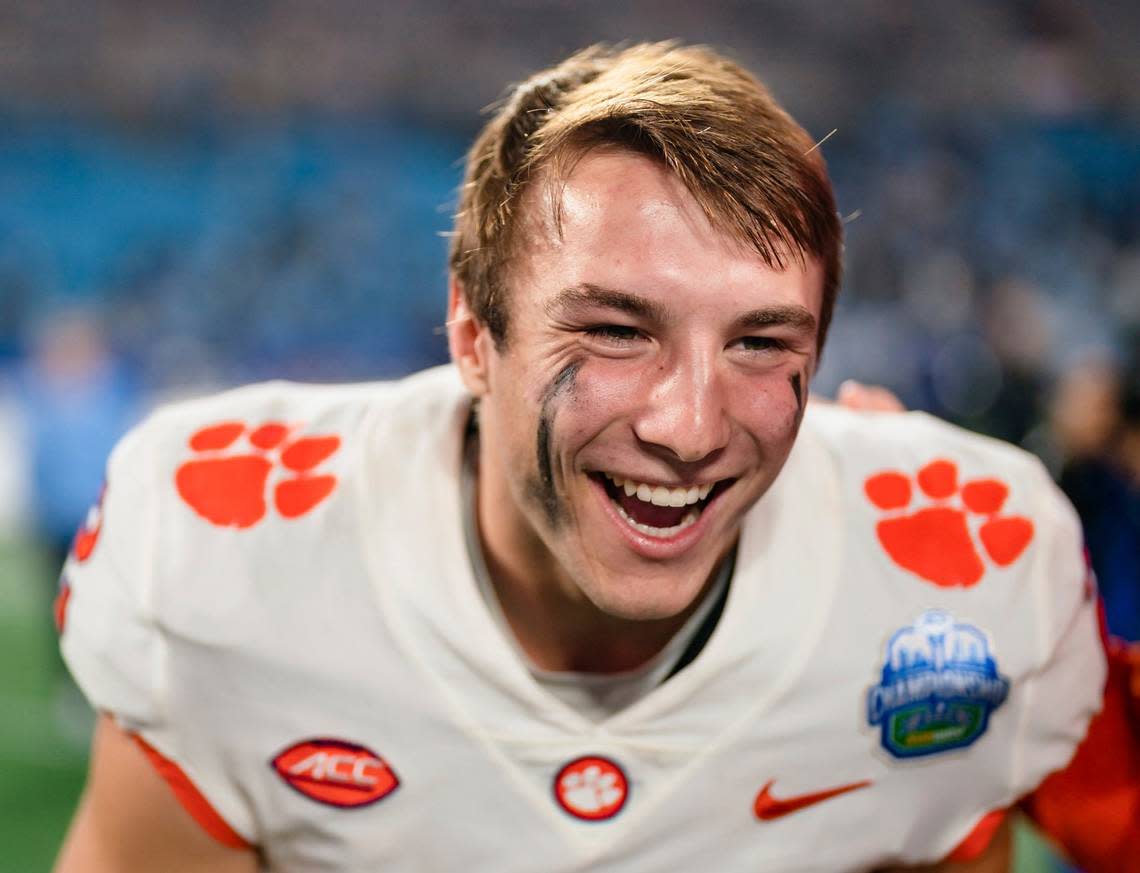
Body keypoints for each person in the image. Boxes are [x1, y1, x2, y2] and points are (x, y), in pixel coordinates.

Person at [53, 43, 1106, 872]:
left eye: (760, 342)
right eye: (613, 331)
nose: (690, 428)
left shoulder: (955, 593)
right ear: (472, 333)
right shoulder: (231, 564)